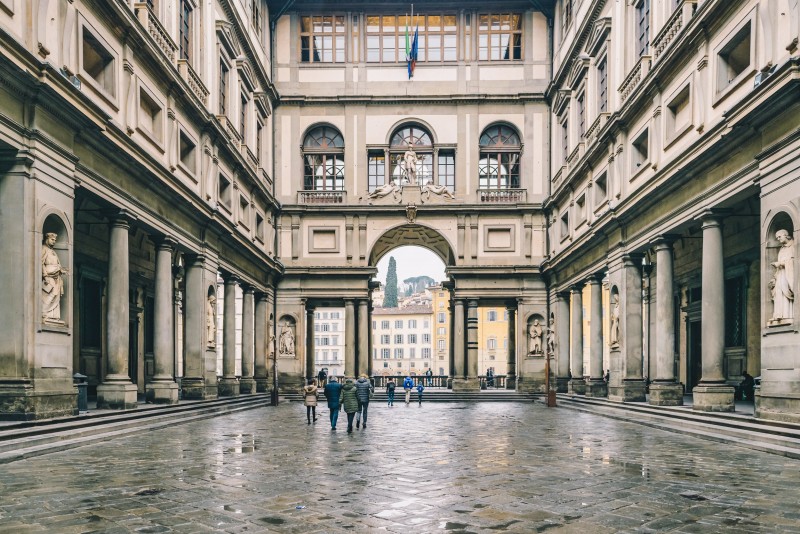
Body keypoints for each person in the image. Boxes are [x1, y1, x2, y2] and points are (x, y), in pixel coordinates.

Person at [41, 232, 66, 322]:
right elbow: (41, 263)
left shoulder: (53, 251)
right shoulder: (43, 249)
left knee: (55, 295)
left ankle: (52, 316)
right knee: (49, 295)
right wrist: (45, 275)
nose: (54, 241)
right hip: (48, 277)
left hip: (56, 277)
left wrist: (61, 270)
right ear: (47, 239)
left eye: (55, 240)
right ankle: (44, 313)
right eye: (52, 239)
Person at [771, 229, 795, 320]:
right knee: (778, 292)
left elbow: (795, 262)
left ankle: (787, 315)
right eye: (777, 238)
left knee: (785, 291)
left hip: (788, 274)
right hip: (781, 273)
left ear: (785, 235)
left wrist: (781, 264)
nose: (778, 239)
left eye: (779, 237)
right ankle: (779, 314)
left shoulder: (794, 246)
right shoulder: (782, 249)